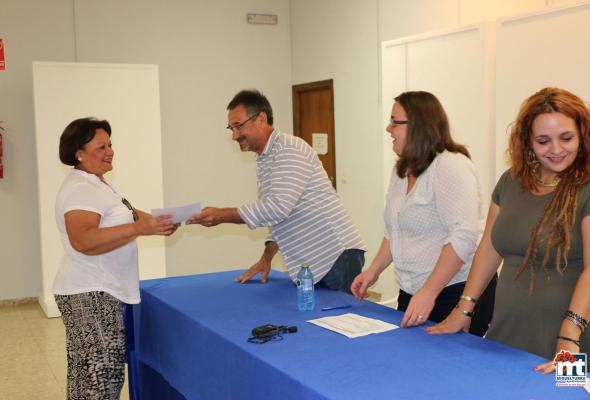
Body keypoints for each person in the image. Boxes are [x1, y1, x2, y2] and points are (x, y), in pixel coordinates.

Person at [427, 87, 590, 374]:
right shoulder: (511, 181)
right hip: (508, 328)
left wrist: (569, 336)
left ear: (582, 134)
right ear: (527, 142)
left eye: (566, 138)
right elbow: (489, 248)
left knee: (566, 396)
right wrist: (464, 309)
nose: (556, 149)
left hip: (571, 335)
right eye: (543, 141)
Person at [187, 89, 366, 293]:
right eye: (231, 128)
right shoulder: (265, 157)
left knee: (340, 322)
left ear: (261, 119)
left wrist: (222, 215)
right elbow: (278, 215)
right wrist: (266, 258)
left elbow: (277, 208)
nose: (235, 135)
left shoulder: (289, 149)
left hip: (335, 257)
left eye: (238, 126)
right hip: (315, 263)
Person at [350, 91, 496, 335]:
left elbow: (463, 236)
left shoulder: (450, 165)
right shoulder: (402, 170)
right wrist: (373, 271)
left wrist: (429, 291)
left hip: (454, 292)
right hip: (414, 292)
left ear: (419, 125)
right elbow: (394, 230)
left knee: (450, 370)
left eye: (395, 121)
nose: (388, 128)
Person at [54, 117, 178, 399]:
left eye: (110, 144)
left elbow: (131, 213)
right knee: (102, 380)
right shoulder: (81, 189)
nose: (110, 151)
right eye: (101, 146)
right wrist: (139, 228)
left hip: (97, 292)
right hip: (90, 294)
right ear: (79, 153)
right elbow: (83, 240)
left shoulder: (99, 184)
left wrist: (162, 222)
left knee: (87, 378)